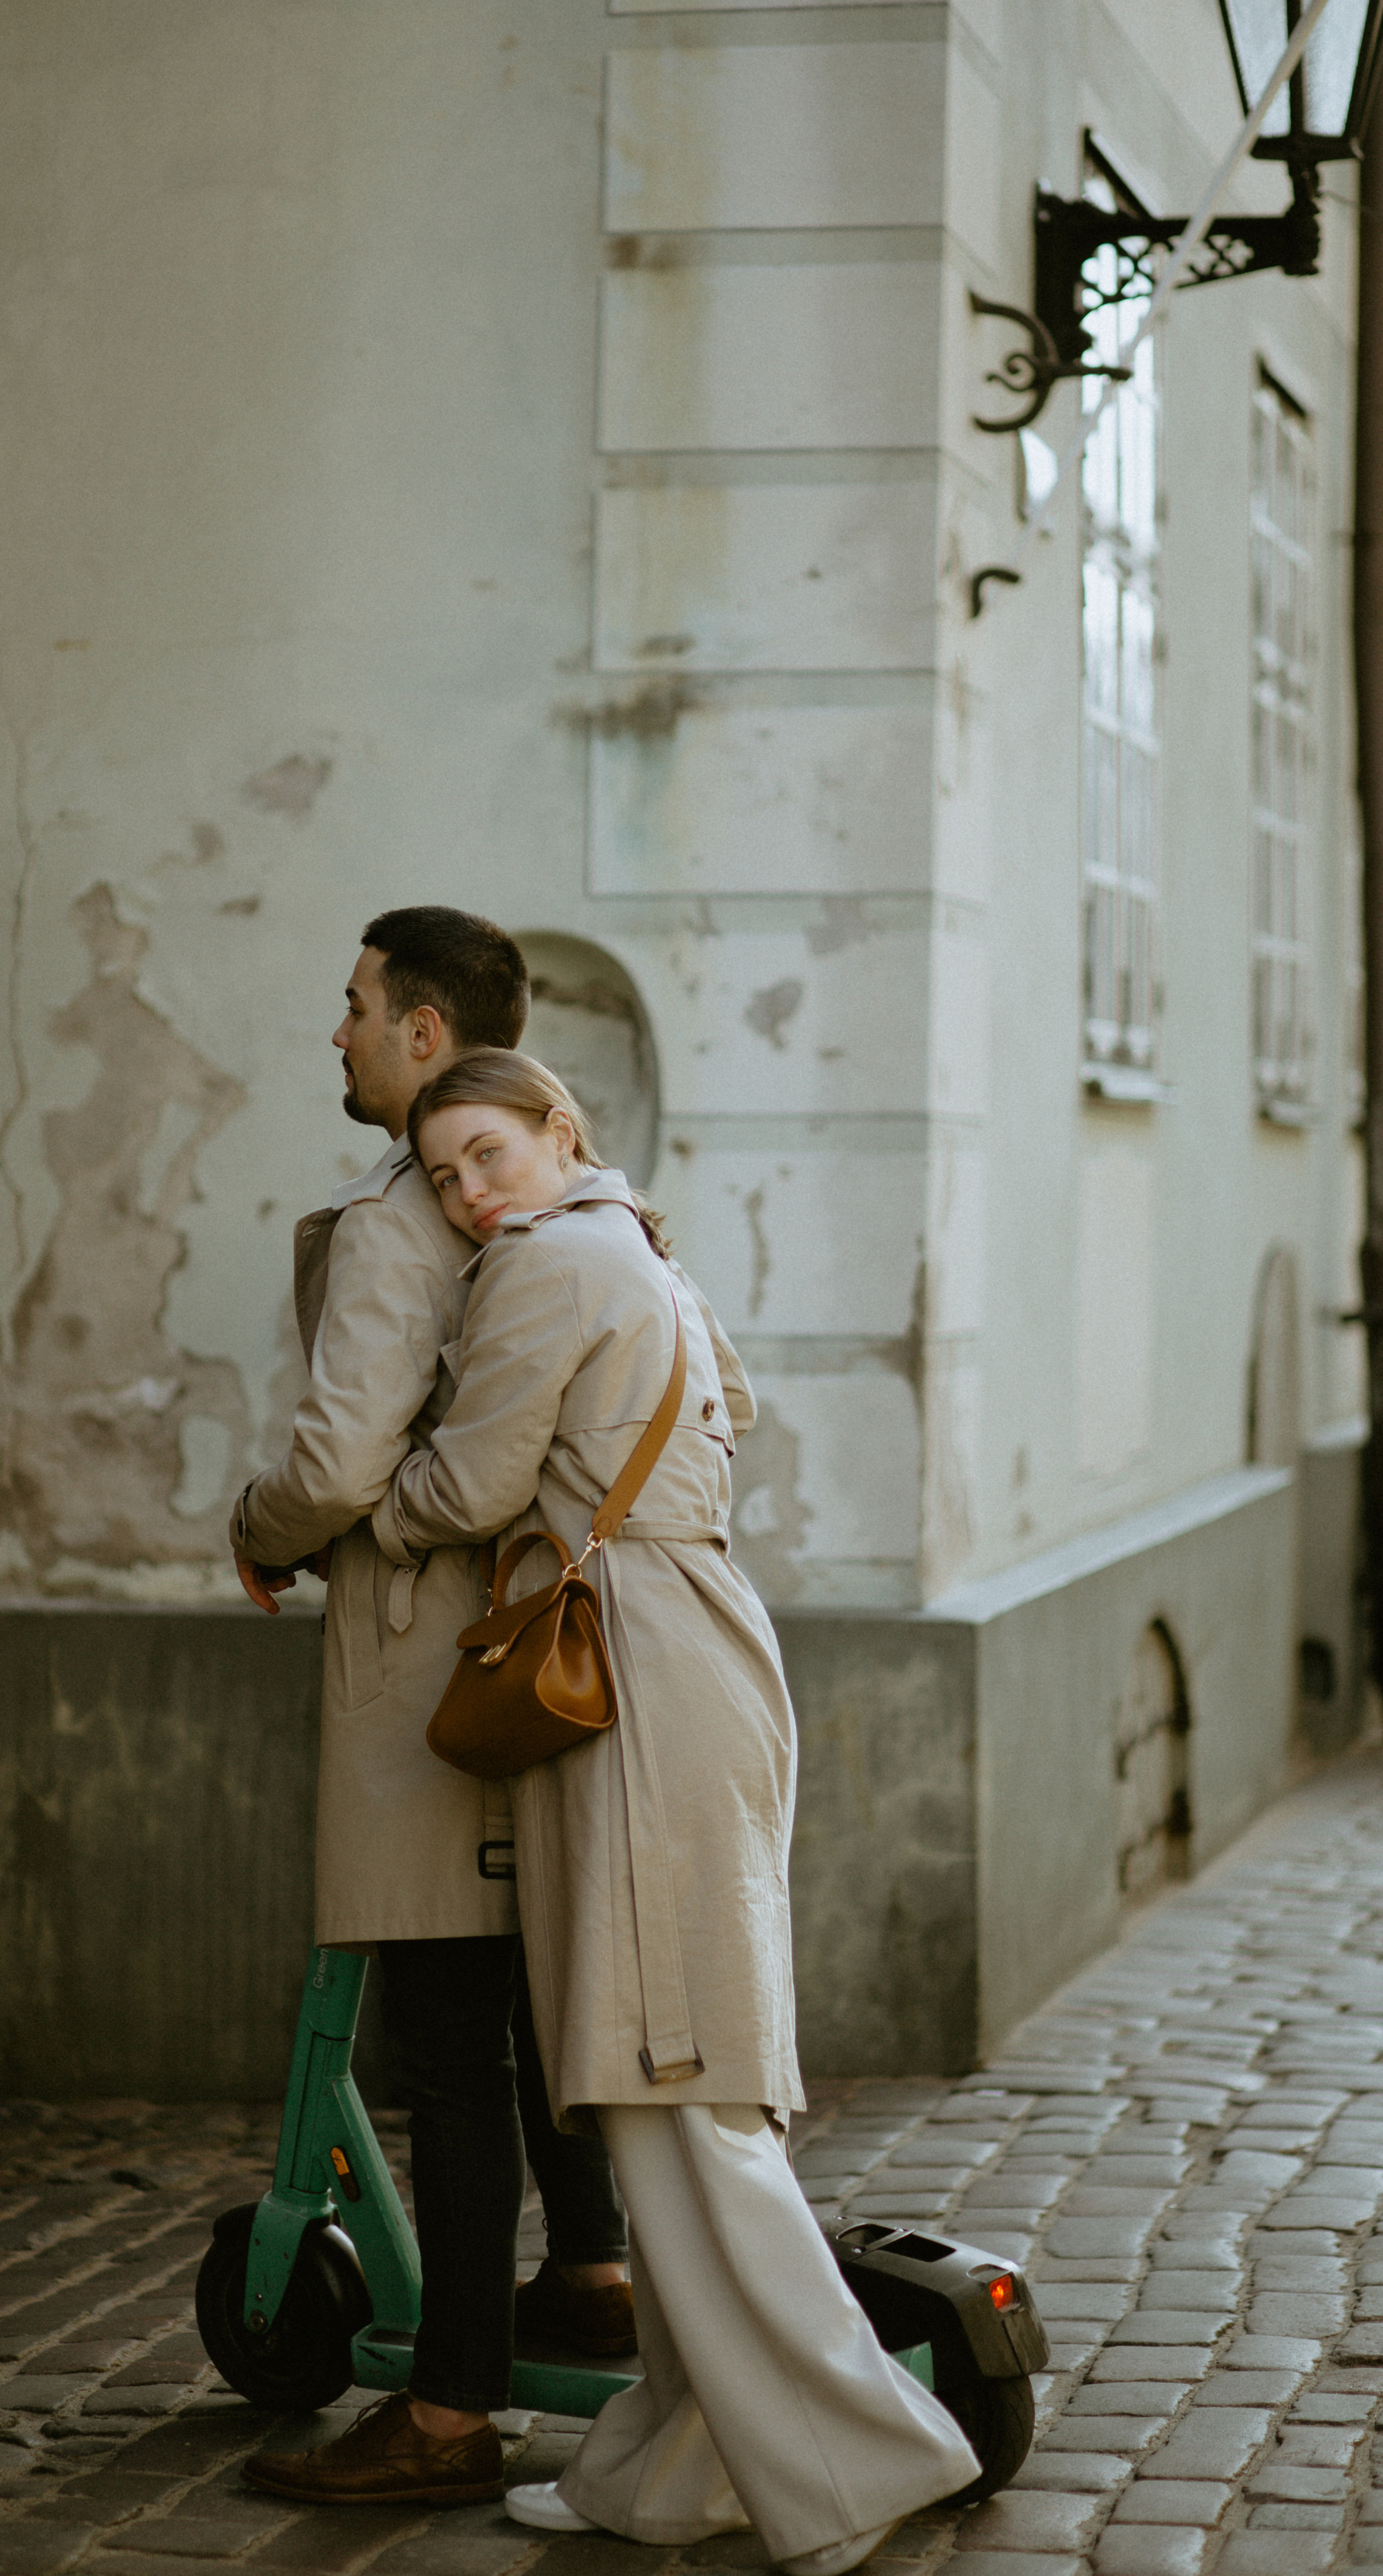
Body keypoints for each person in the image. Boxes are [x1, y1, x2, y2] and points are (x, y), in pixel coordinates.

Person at [360, 1048, 982, 2574]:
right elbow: (735, 1409)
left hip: (627, 1664)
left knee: (672, 2079)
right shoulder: (643, 1248)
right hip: (688, 1635)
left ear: (560, 1134)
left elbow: (471, 1479)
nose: (466, 1194)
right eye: (442, 1173)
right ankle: (676, 2465)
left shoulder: (545, 1266)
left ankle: (854, 2462)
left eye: (488, 1153)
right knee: (679, 2075)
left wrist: (359, 1517)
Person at [230, 912, 632, 2514]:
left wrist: (258, 1531)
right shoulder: (555, 1205)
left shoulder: (408, 1215)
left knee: (449, 2042)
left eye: (352, 1010)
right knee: (520, 2012)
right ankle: (588, 2269)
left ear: (420, 1033)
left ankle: (454, 2410)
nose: (332, 1035)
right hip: (521, 1655)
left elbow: (336, 1466)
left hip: (422, 1674)